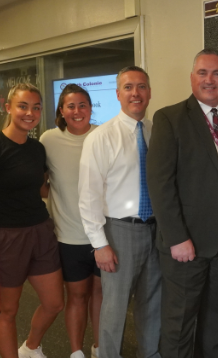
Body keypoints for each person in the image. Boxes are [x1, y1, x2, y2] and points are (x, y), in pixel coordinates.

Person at [147, 49, 218, 358]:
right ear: (192, 77)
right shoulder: (170, 118)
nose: (210, 80)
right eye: (203, 73)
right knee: (179, 323)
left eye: (217, 73)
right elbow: (160, 183)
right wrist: (177, 237)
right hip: (187, 241)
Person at [0, 83, 64, 358]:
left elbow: (42, 190)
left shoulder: (37, 148)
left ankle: (31, 347)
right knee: (7, 310)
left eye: (36, 107)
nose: (29, 113)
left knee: (54, 303)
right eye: (22, 106)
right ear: (7, 107)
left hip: (40, 232)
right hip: (4, 237)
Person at [78, 66, 161, 358]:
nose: (135, 93)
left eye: (141, 87)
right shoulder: (101, 137)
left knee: (153, 302)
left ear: (149, 93)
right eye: (128, 87)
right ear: (117, 94)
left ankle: (150, 354)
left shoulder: (155, 131)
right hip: (119, 231)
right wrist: (99, 244)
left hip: (155, 230)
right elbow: (87, 195)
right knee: (114, 306)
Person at [40, 84, 100, 358]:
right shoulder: (49, 140)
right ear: (61, 111)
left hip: (104, 236)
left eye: (83, 105)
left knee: (100, 295)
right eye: (70, 106)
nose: (77, 111)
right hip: (69, 237)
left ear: (90, 108)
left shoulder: (102, 136)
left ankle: (99, 347)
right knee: (77, 296)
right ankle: (77, 352)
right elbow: (40, 184)